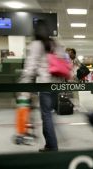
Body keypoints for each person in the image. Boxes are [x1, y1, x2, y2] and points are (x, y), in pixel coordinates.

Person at [19, 19, 67, 152]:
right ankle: (51, 141)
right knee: (49, 113)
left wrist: (24, 86)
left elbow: (31, 67)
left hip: (45, 84)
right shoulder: (54, 43)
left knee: (46, 115)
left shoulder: (36, 44)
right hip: (56, 84)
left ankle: (52, 145)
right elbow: (63, 61)